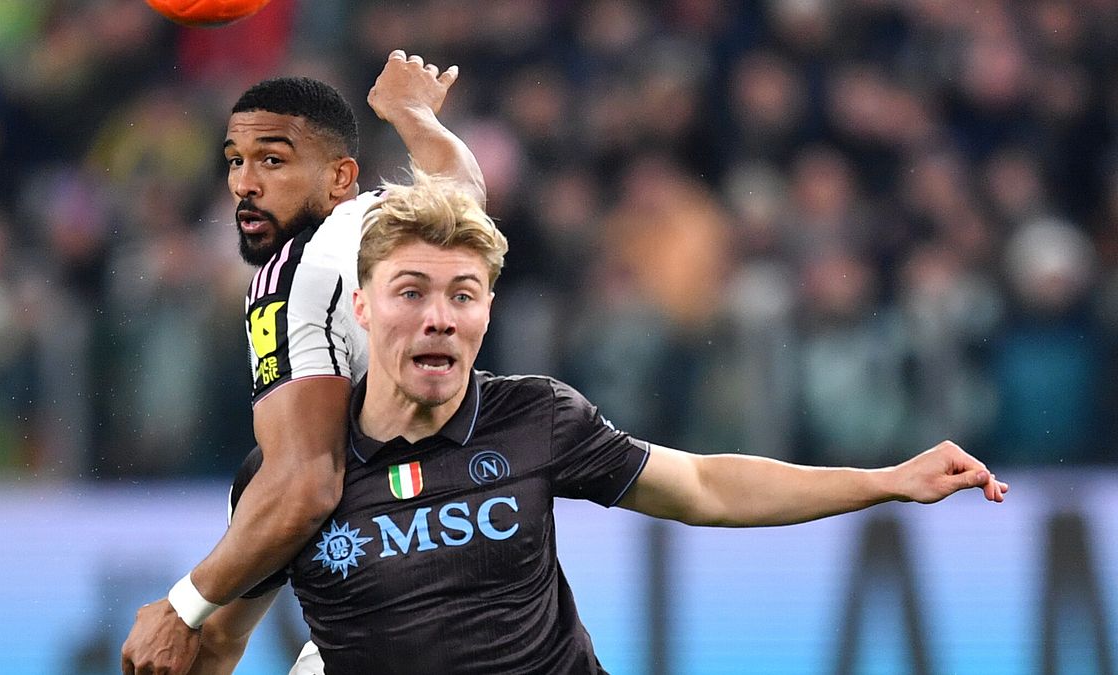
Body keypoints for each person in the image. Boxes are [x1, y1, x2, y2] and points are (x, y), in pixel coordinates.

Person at [194, 169, 1008, 674]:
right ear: (364, 308)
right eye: (412, 292)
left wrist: (885, 479)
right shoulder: (293, 470)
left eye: (463, 295)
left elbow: (704, 485)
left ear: (487, 312)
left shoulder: (534, 418)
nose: (439, 316)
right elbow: (220, 640)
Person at [120, 50, 485, 675]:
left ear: (340, 177)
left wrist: (182, 607)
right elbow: (464, 187)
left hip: (396, 598)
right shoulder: (391, 221)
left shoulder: (292, 274)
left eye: (272, 160)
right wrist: (412, 114)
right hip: (486, 560)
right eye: (234, 161)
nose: (244, 184)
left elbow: (305, 485)